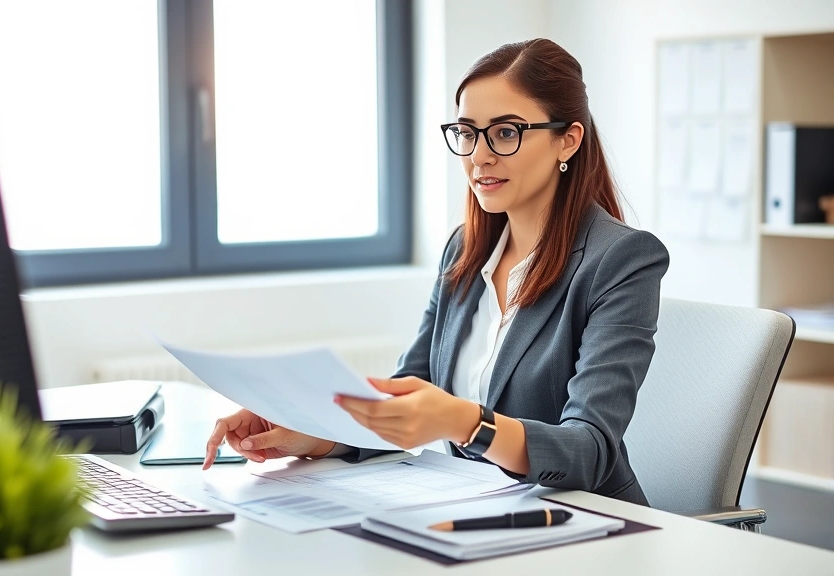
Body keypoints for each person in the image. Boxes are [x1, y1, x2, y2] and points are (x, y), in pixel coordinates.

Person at [203, 38, 668, 506]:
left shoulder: (621, 260)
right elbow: (412, 393)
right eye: (467, 132)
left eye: (505, 132)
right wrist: (314, 432)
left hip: (590, 523)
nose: (478, 156)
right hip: (480, 512)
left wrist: (465, 421)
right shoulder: (464, 250)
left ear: (567, 139)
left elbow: (587, 451)